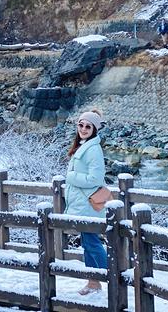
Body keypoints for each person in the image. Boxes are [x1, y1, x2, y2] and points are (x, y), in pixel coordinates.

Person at [65, 109, 108, 295]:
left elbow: (96, 179)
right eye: (81, 125)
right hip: (83, 205)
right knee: (87, 243)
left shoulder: (93, 149)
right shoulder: (84, 145)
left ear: (94, 129)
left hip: (88, 205)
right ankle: (93, 282)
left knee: (91, 243)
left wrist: (71, 177)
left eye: (88, 126)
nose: (83, 129)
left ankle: (112, 276)